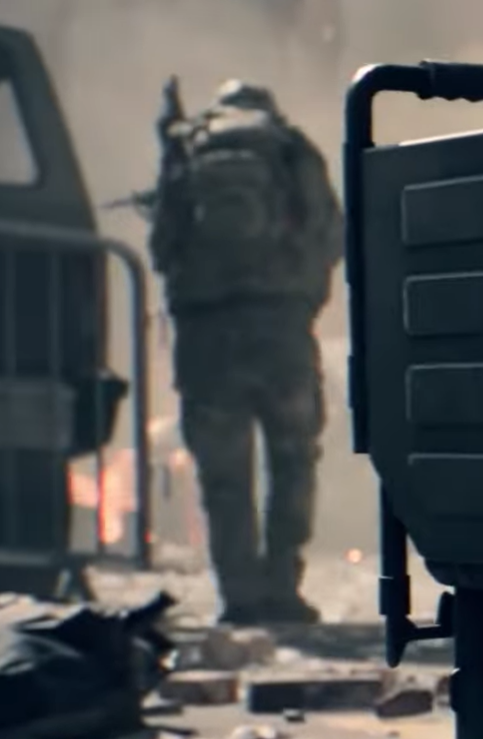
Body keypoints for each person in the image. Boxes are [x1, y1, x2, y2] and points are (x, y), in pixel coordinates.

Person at [148, 79, 343, 625]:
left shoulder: (188, 150)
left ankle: (238, 595)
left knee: (224, 477)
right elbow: (330, 233)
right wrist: (300, 296)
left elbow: (163, 247)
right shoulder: (290, 149)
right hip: (281, 331)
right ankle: (282, 587)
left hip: (207, 337)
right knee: (293, 461)